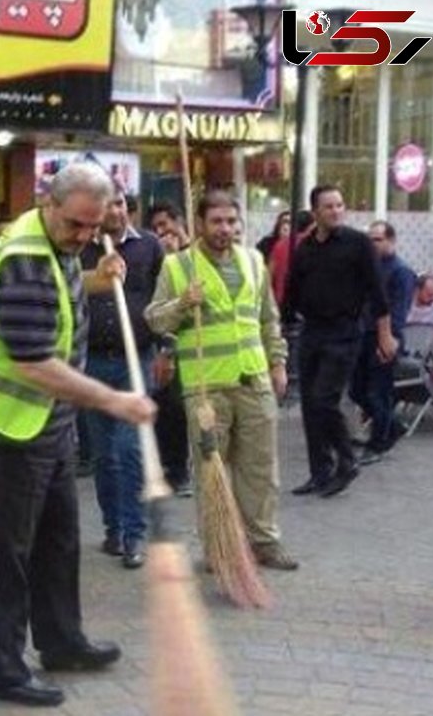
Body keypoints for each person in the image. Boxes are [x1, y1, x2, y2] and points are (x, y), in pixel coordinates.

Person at [0, 163, 154, 707]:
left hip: (48, 421)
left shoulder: (53, 243)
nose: (84, 237)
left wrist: (95, 277)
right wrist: (114, 401)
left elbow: (62, 288)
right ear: (47, 202)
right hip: (4, 424)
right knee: (7, 551)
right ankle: (3, 671)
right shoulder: (25, 262)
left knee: (59, 536)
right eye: (75, 226)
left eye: (94, 227)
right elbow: (35, 364)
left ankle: (62, 642)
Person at [145, 190, 298, 571]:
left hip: (254, 381)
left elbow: (268, 319)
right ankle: (218, 550)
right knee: (212, 472)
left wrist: (277, 363)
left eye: (232, 221)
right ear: (199, 224)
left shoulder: (253, 261)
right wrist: (182, 303)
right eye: (217, 221)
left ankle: (264, 542)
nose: (225, 229)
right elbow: (154, 318)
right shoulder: (178, 267)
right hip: (206, 388)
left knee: (260, 469)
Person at [286, 186, 396, 498]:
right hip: (311, 332)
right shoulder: (304, 248)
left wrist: (385, 334)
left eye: (340, 205)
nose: (336, 211)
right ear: (315, 211)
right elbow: (292, 292)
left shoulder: (358, 244)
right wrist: (284, 322)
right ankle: (319, 472)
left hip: (344, 332)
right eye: (329, 206)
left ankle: (346, 462)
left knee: (324, 399)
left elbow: (377, 291)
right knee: (309, 403)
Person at [79, 185, 165, 570]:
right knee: (103, 455)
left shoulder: (149, 246)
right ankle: (113, 528)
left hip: (137, 361)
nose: (114, 210)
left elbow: (162, 299)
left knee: (131, 450)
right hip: (92, 364)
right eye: (106, 204)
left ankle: (134, 535)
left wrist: (167, 348)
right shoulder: (79, 247)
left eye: (118, 203)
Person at [349, 220, 417, 461]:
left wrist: (389, 339)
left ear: (390, 240)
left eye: (377, 239)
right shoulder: (370, 268)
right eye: (369, 239)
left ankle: (378, 444)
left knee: (378, 392)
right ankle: (392, 425)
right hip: (362, 335)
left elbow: (398, 310)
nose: (372, 244)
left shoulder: (401, 271)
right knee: (356, 389)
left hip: (384, 338)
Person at [144, 201, 192, 494]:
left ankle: (180, 468)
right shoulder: (158, 258)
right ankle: (166, 465)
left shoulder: (192, 258)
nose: (162, 232)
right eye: (156, 228)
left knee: (177, 409)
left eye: (165, 225)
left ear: (180, 222)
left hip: (188, 345)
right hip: (159, 341)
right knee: (162, 406)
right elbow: (157, 307)